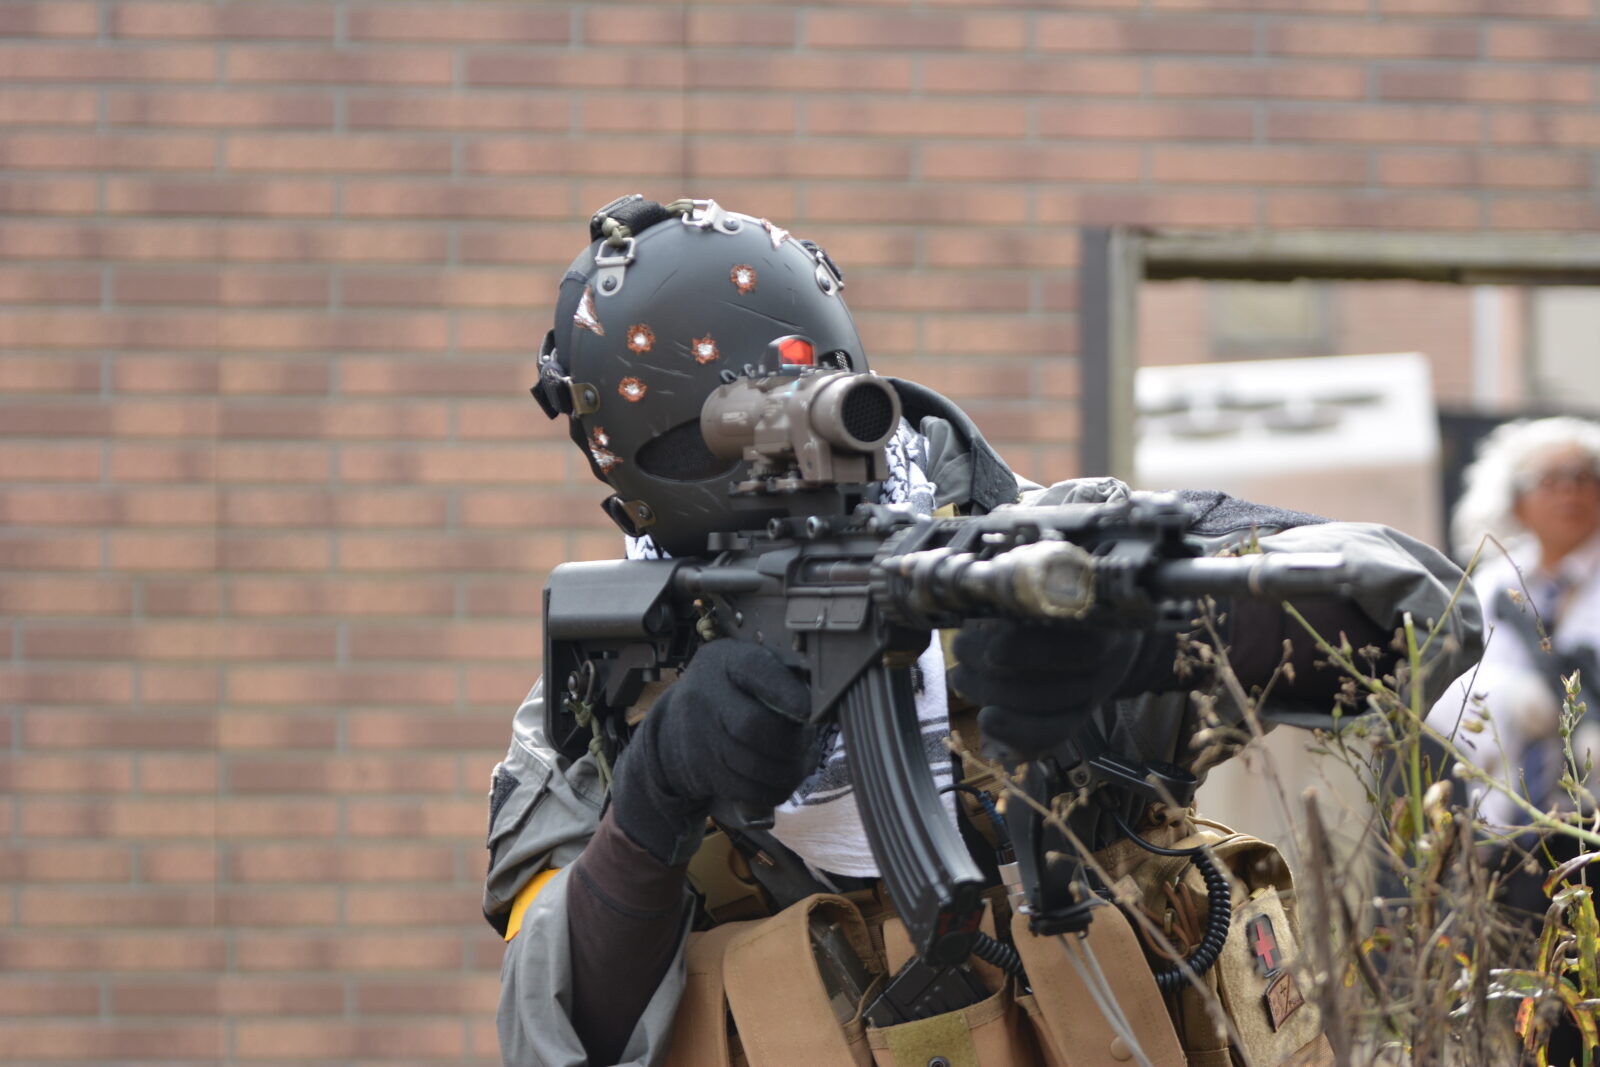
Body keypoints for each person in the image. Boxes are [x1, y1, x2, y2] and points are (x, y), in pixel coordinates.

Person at [485, 196, 1484, 1067]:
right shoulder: (606, 691)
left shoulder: (1048, 546)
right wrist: (653, 803)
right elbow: (555, 1028)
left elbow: (1424, 611)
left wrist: (1149, 637)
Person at [1430, 416, 1600, 828]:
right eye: (1549, 480)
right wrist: (1511, 698)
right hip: (1513, 823)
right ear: (1515, 501)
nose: (1569, 491)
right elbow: (1442, 686)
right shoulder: (1494, 583)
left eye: (1583, 477)